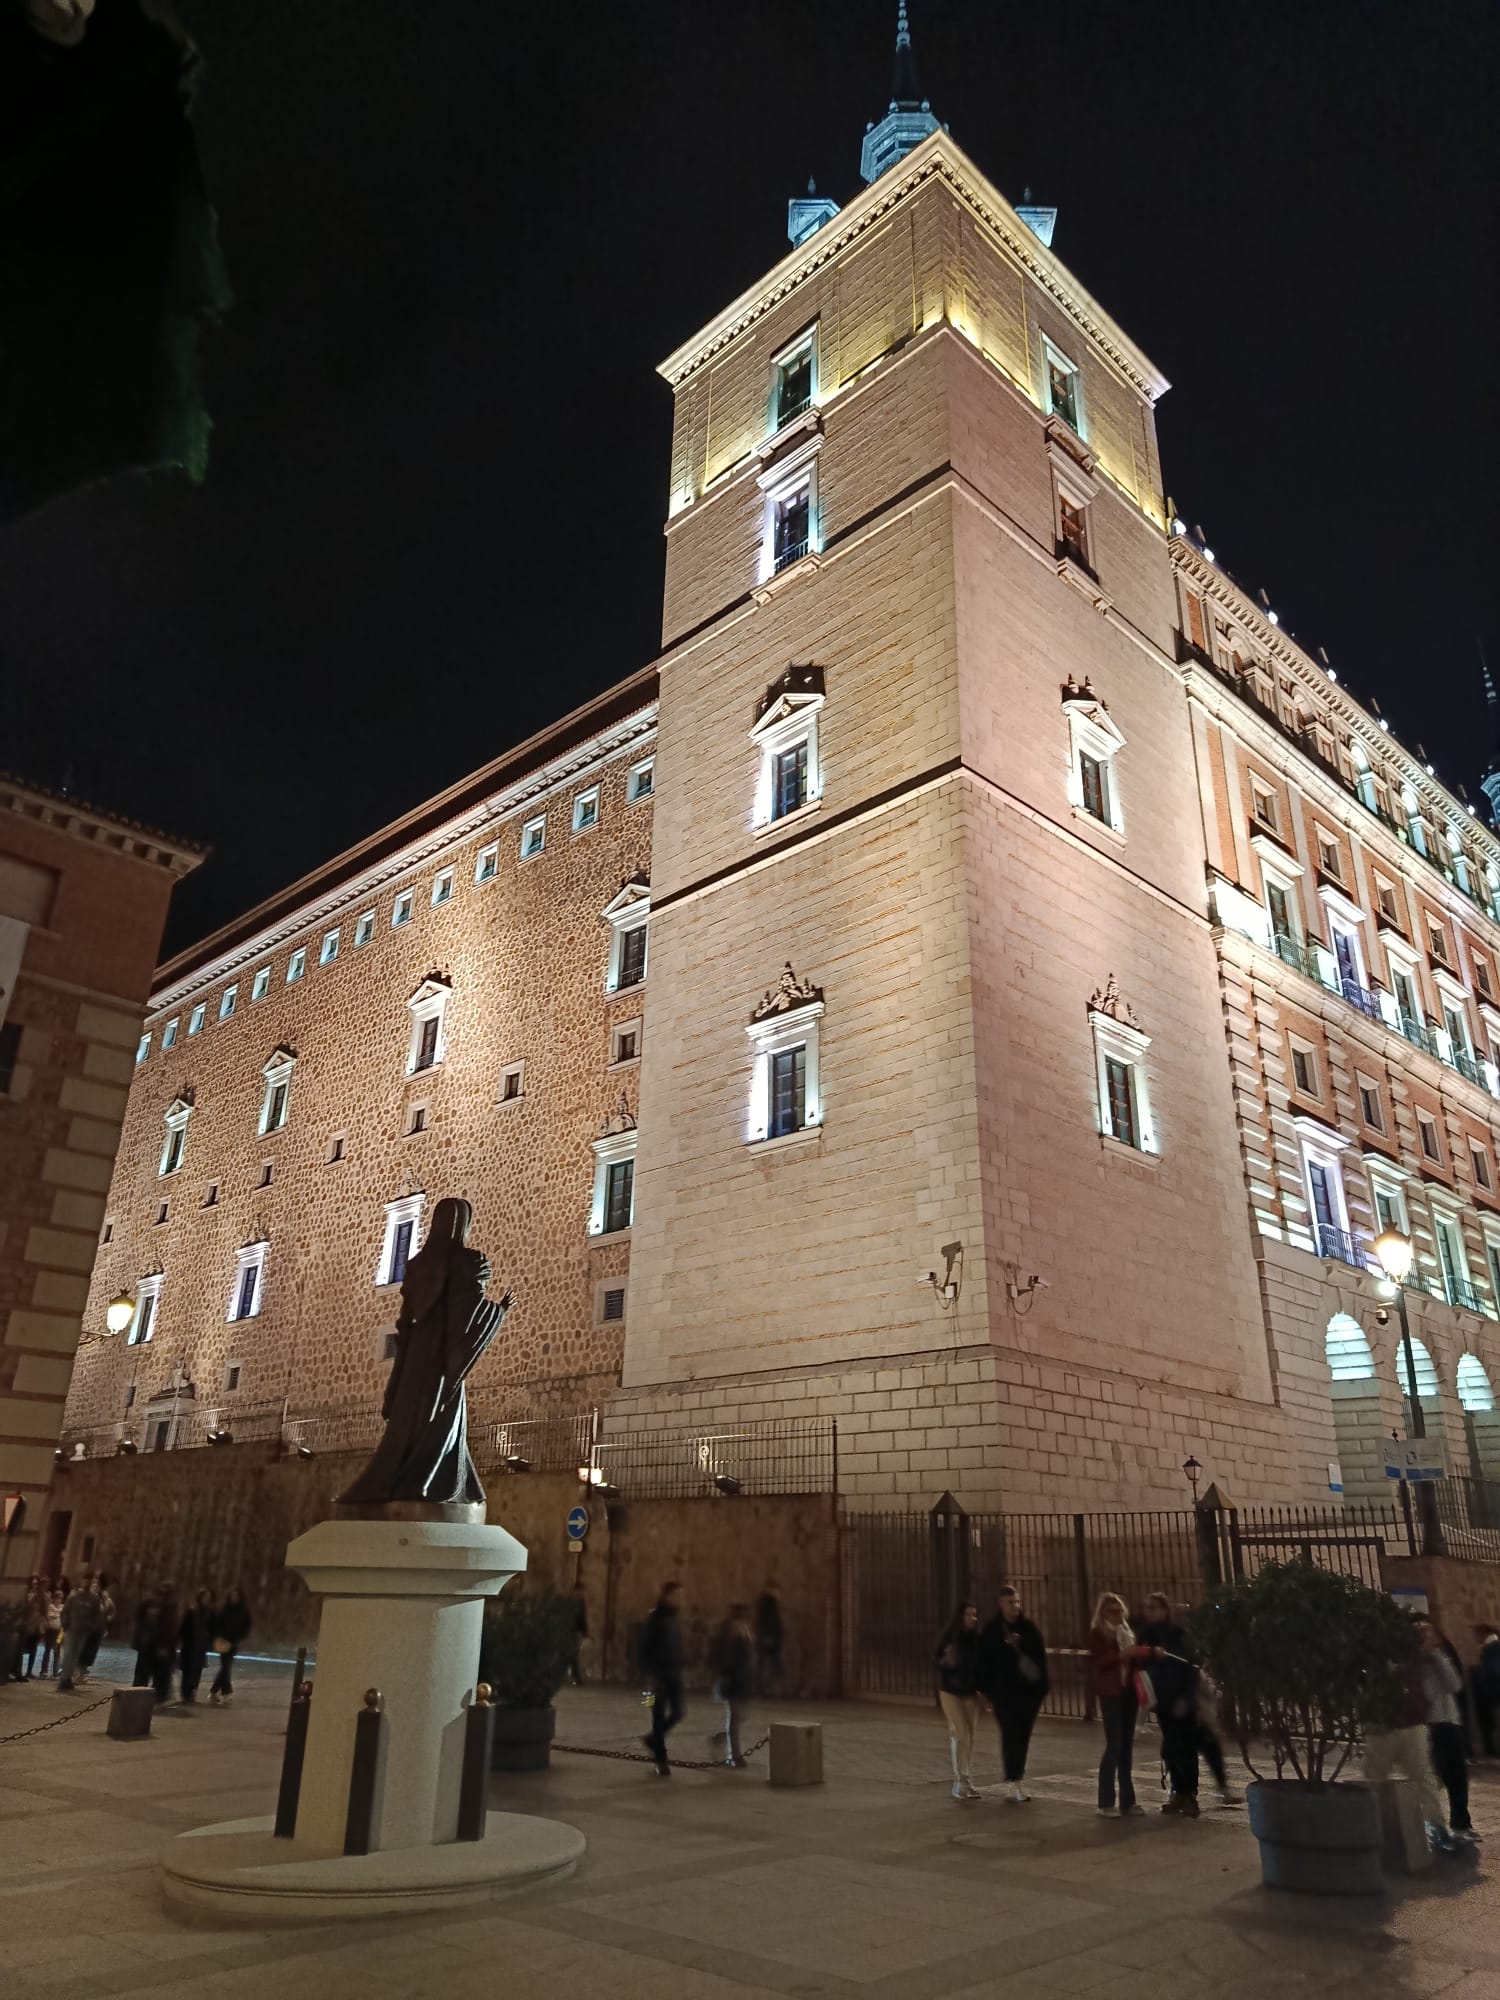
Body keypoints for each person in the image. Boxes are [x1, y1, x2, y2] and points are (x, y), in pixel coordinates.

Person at [1364, 1635, 1460, 1855]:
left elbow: (1448, 1683)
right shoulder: (1370, 1653)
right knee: (1376, 1779)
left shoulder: (1416, 1655)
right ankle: (1375, 1832)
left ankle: (1435, 1829)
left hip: (1411, 1722)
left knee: (1423, 1778)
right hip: (1383, 1725)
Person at [976, 1585, 1049, 1802]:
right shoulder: (992, 1631)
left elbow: (1040, 1660)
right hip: (1003, 1694)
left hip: (1027, 1694)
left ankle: (1017, 1777)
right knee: (1010, 1733)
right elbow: (983, 1663)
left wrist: (1041, 1690)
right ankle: (1013, 1778)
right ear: (1001, 1604)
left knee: (1023, 1735)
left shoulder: (1029, 1629)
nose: (1015, 1606)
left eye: (1017, 1601)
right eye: (1010, 1602)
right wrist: (986, 1691)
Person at [1089, 1592, 1156, 1817]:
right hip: (1111, 1693)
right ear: (1103, 1613)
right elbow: (1098, 1662)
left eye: (1120, 1610)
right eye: (1113, 1611)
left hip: (1128, 1691)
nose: (1118, 1615)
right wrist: (1121, 1655)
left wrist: (1139, 1653)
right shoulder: (1098, 1634)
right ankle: (1105, 1801)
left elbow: (1135, 1659)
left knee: (1126, 1746)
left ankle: (1129, 1801)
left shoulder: (1126, 1632)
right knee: (1114, 1744)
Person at [1138, 1593, 1203, 1819]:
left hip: (1182, 1698)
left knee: (1186, 1746)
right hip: (1163, 1699)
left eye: (1155, 1607)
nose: (1150, 1612)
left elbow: (1191, 1666)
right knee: (1170, 1747)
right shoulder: (1145, 1635)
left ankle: (1190, 1794)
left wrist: (1186, 1697)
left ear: (1165, 1610)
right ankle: (1177, 1790)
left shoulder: (1178, 1633)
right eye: (1148, 1607)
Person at [1416, 1615, 1478, 1845]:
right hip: (1432, 1723)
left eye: (1430, 1631)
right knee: (1436, 1777)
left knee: (1457, 1777)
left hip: (1450, 1722)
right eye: (1423, 1632)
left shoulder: (1439, 1656)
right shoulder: (1415, 1662)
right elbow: (1426, 1694)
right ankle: (1432, 1825)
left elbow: (1454, 1684)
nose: (1428, 1636)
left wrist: (1435, 1655)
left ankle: (1461, 1823)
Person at [935, 1601, 982, 1801]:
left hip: (970, 1692)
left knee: (970, 1736)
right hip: (950, 1691)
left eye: (975, 1614)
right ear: (960, 1617)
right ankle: (959, 1781)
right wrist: (947, 1661)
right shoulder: (950, 1637)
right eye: (969, 1614)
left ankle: (967, 1778)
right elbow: (937, 1659)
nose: (973, 1618)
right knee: (960, 1732)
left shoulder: (976, 1638)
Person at [639, 1580, 684, 1776]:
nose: (680, 1599)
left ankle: (652, 1740)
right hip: (654, 1680)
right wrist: (649, 1675)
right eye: (676, 1595)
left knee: (678, 1712)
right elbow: (642, 1649)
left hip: (673, 1675)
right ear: (666, 1596)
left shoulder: (674, 1619)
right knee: (656, 1716)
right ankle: (661, 1759)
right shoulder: (654, 1618)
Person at [709, 1603, 756, 1769]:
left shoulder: (746, 1630)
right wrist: (724, 1675)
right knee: (734, 1716)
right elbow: (723, 1657)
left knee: (741, 1715)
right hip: (731, 1679)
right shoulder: (728, 1632)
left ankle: (719, 1738)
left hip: (743, 1680)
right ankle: (734, 1755)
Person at [56, 1573, 105, 1693]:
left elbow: (96, 1615)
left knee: (76, 1655)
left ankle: (68, 1678)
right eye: (85, 1580)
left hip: (84, 1631)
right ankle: (64, 1679)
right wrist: (65, 1624)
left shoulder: (94, 1599)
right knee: (68, 1654)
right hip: (72, 1629)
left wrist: (92, 1626)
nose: (87, 1583)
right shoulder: (74, 1596)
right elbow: (66, 1611)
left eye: (90, 1580)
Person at [209, 1585, 252, 1704]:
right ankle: (226, 1692)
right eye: (232, 1596)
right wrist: (219, 1636)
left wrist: (239, 1636)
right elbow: (217, 1624)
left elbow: (247, 1626)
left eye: (236, 1596)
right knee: (226, 1666)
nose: (234, 1598)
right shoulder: (224, 1609)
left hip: (233, 1642)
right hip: (223, 1642)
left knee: (225, 1667)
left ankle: (214, 1691)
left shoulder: (243, 1611)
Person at [179, 1587, 215, 1703]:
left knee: (197, 1670)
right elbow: (183, 1628)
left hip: (201, 1647)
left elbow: (212, 1629)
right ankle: (186, 1694)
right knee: (188, 1670)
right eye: (205, 1597)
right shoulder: (191, 1611)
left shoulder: (210, 1613)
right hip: (190, 1646)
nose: (207, 1600)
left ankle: (192, 1692)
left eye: (208, 1598)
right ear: (200, 1598)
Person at [78, 1572, 113, 1685]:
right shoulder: (88, 1593)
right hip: (86, 1627)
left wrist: (107, 1618)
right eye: (94, 1579)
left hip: (98, 1628)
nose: (95, 1582)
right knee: (82, 1649)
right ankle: (77, 1672)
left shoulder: (105, 1596)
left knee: (90, 1651)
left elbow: (110, 1610)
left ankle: (82, 1673)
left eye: (98, 1579)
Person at [1471, 1624, 1500, 1757]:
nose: (1475, 1637)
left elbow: (1494, 1671)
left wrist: (1481, 1674)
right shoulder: (1490, 1648)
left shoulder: (1493, 1649)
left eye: (1476, 1633)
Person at [18, 1575, 51, 1680]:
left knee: (33, 1649)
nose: (36, 1585)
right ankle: (19, 1671)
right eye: (34, 1583)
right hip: (27, 1625)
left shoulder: (44, 1597)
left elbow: (45, 1611)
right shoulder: (29, 1595)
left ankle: (29, 1671)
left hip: (37, 1626)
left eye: (37, 1584)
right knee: (22, 1648)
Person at [754, 1581, 784, 1697]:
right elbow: (768, 1622)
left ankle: (766, 1689)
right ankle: (766, 1690)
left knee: (766, 1664)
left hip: (769, 1638)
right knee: (768, 1665)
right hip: (769, 1639)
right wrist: (768, 1636)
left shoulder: (767, 1603)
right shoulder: (768, 1604)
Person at [39, 1578, 65, 1680]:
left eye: (61, 1598)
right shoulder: (50, 1607)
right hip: (50, 1631)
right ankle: (44, 1671)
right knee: (47, 1650)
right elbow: (49, 1616)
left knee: (57, 1651)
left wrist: (57, 1614)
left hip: (59, 1632)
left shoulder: (63, 1607)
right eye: (57, 1598)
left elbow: (63, 1617)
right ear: (54, 1599)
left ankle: (56, 1671)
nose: (59, 1600)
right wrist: (57, 1614)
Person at [567, 1581, 588, 1687]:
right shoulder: (572, 1602)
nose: (581, 1593)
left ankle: (576, 1677)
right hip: (571, 1631)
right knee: (572, 1655)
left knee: (572, 1655)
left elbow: (582, 1619)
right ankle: (577, 1677)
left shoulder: (580, 1602)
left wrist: (583, 1632)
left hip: (575, 1632)